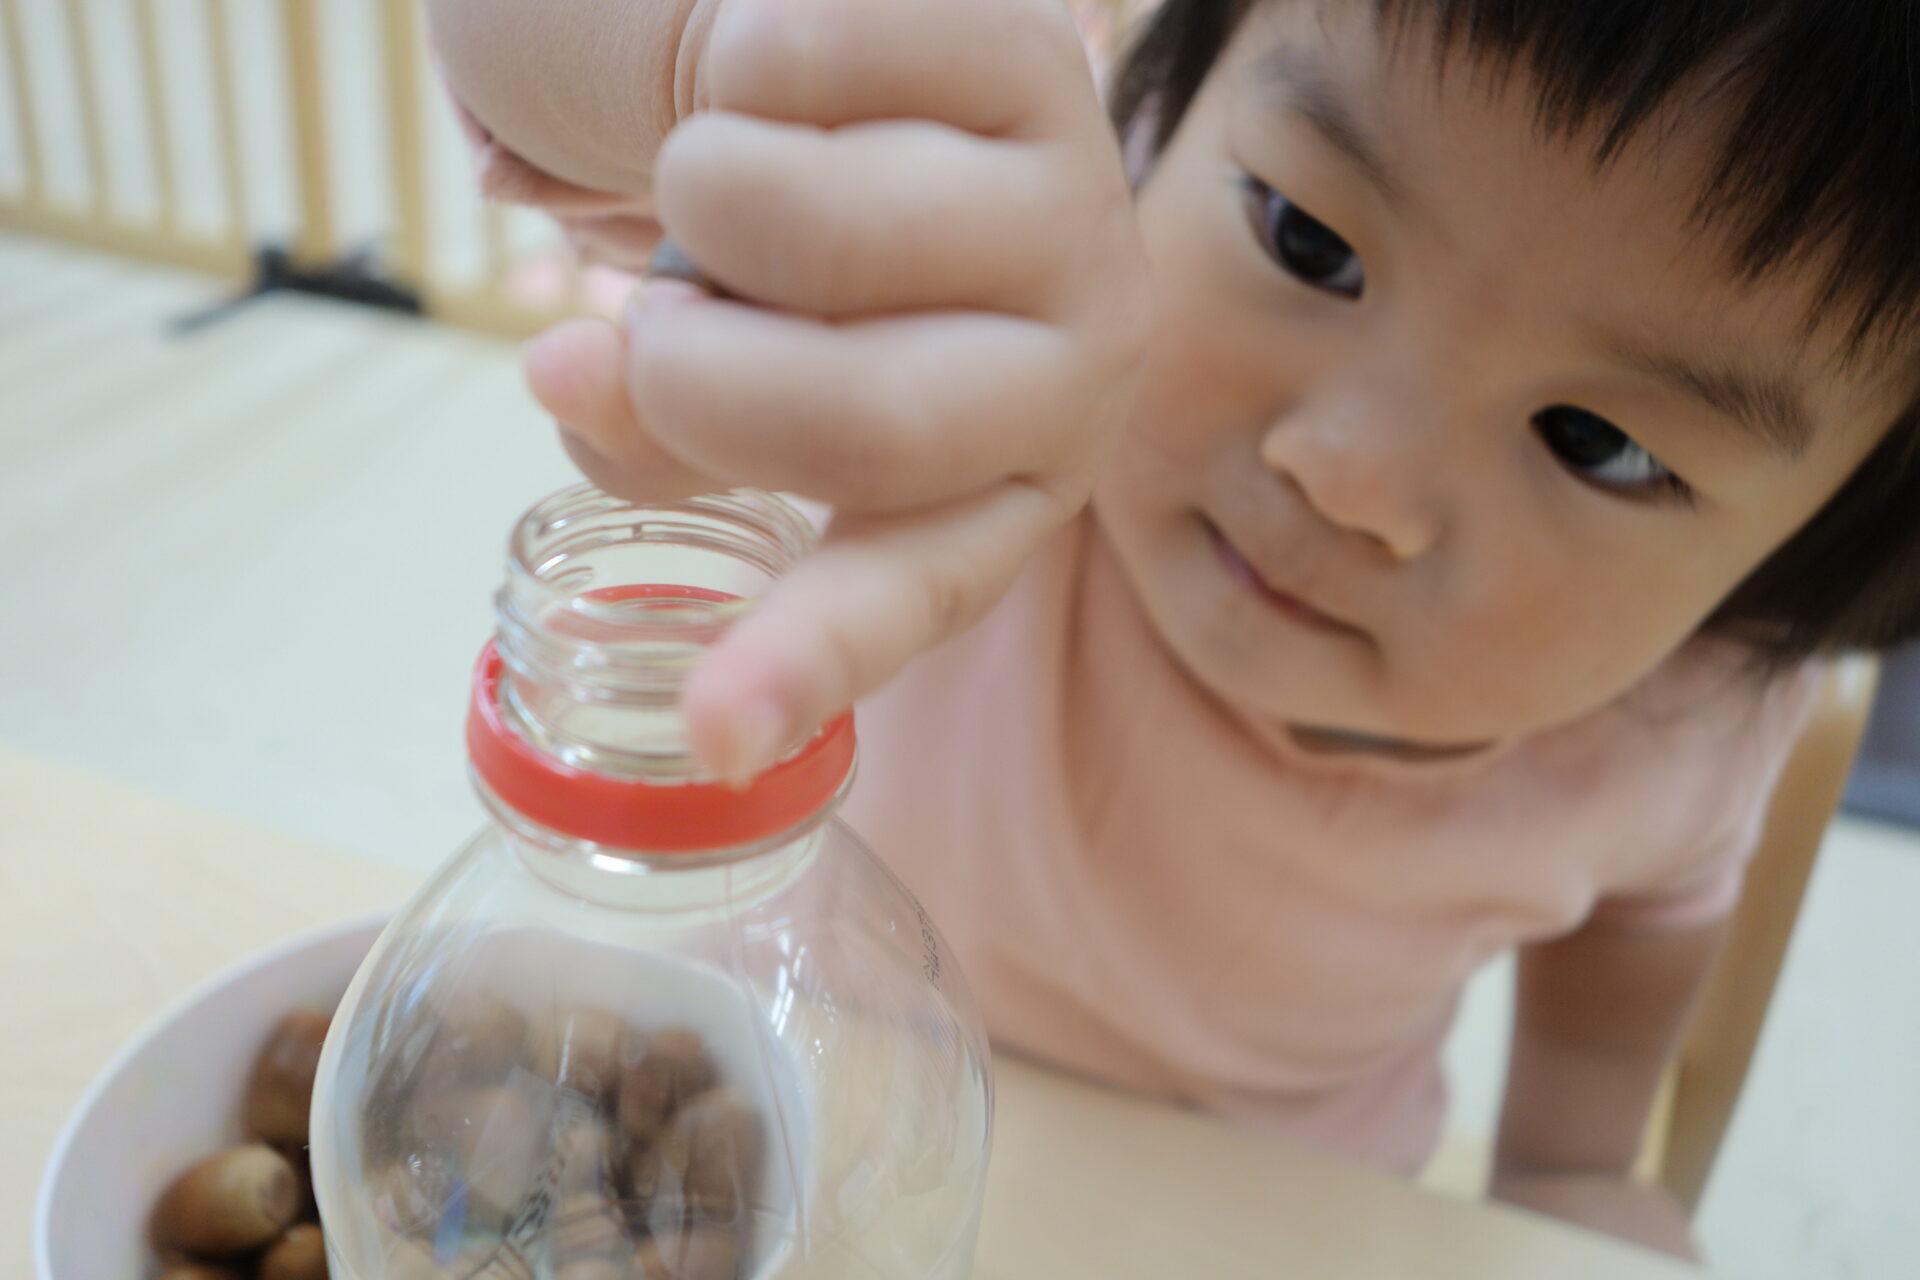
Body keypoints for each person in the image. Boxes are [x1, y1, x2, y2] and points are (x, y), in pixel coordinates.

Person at [427, 0, 1920, 1257]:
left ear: (1790, 581)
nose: (1347, 476)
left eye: (1597, 442)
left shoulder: (1684, 718)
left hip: (1276, 1216)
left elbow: (1636, 938)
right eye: (1309, 242)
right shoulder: (987, 345)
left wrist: (1571, 1167)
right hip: (782, 1113)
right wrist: (724, 49)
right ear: (1151, 130)